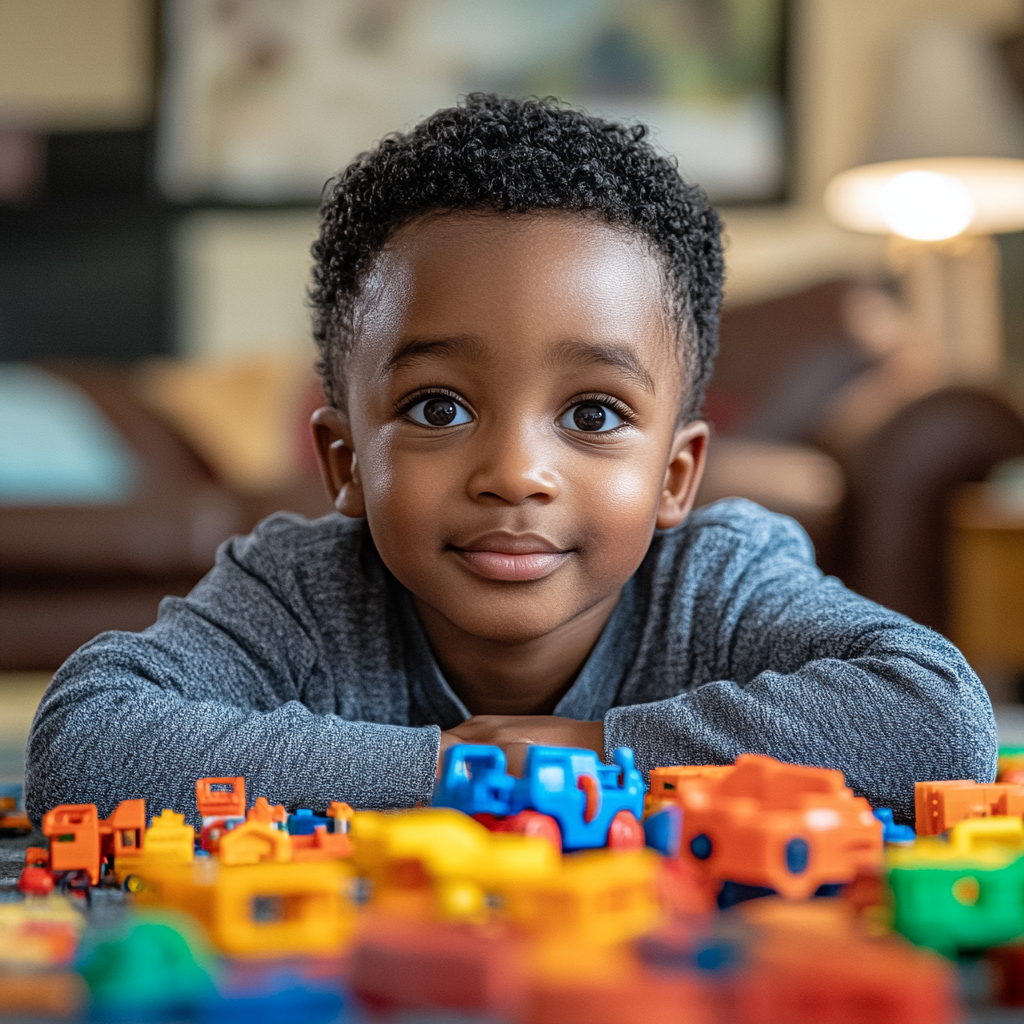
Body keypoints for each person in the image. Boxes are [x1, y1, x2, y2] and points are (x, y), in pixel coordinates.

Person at [25, 95, 994, 826]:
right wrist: (451, 769)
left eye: (592, 411)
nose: (513, 472)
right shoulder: (302, 590)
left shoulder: (718, 578)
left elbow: (940, 719)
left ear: (675, 478)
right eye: (437, 407)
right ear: (344, 460)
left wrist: (597, 753)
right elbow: (84, 740)